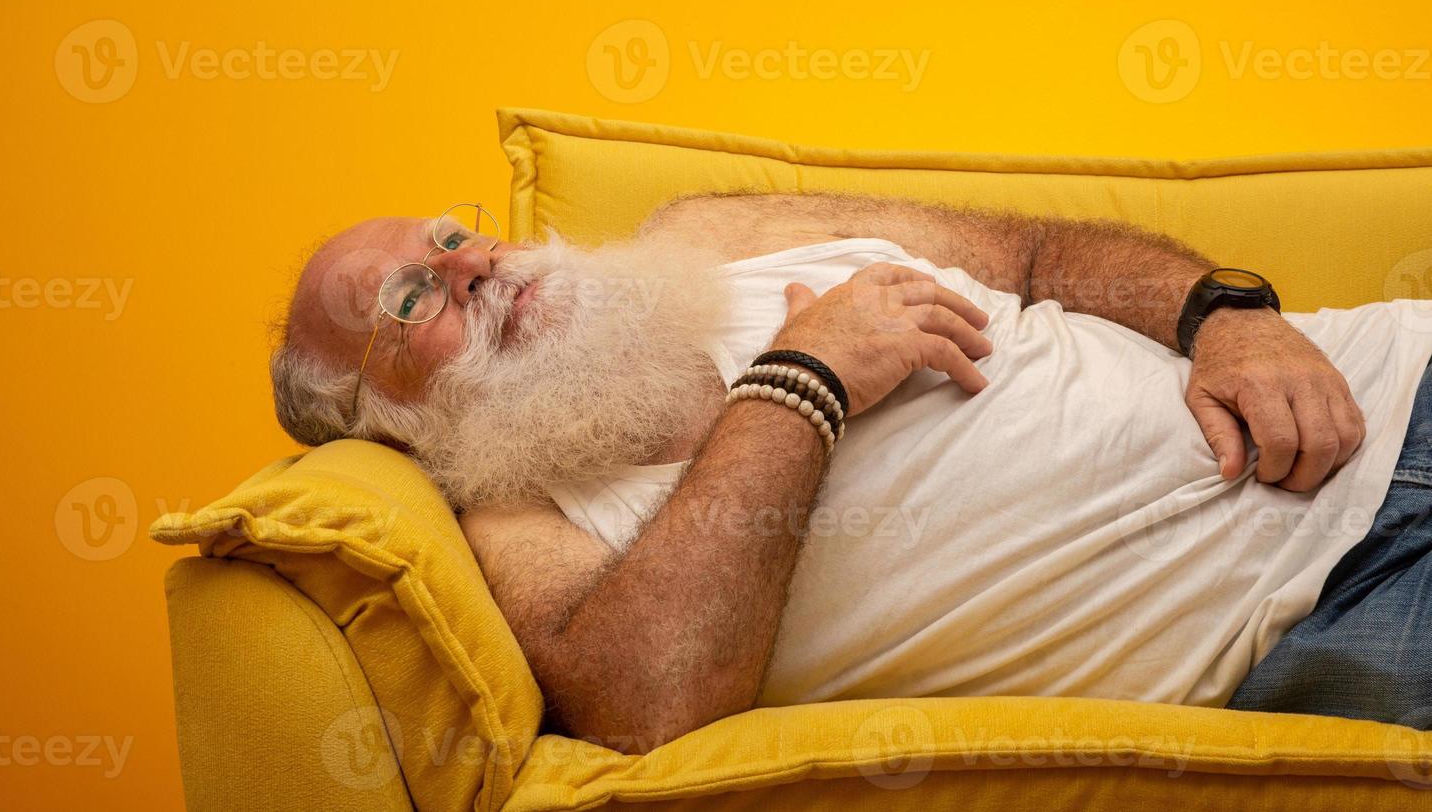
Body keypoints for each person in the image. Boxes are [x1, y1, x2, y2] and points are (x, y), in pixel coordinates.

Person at [270, 192, 1432, 752]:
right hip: (1328, 615)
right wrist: (802, 377)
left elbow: (1038, 253)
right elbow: (642, 704)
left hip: (1392, 377)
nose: (468, 265)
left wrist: (1227, 317)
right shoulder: (520, 525)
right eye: (409, 301)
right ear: (386, 423)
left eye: (449, 234)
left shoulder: (708, 233)